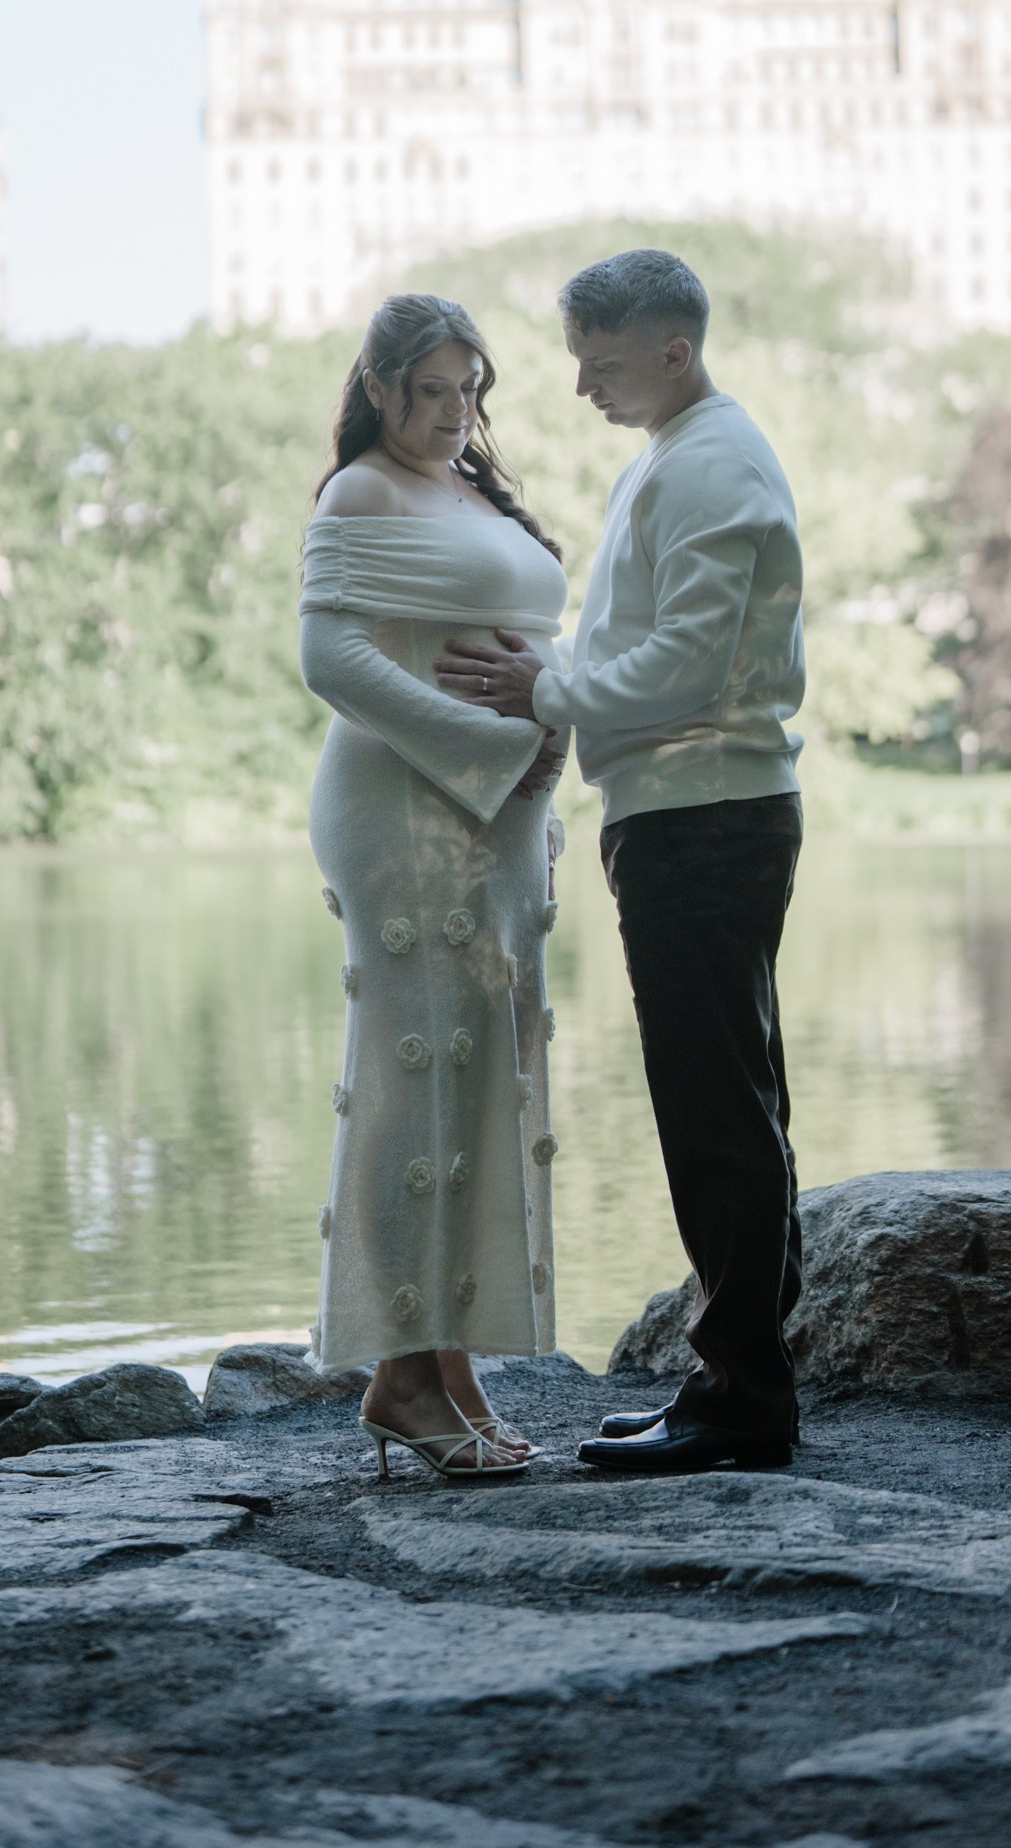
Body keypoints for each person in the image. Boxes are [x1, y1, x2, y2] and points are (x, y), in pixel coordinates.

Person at [435, 247, 806, 1475]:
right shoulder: (675, 457)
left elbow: (685, 671)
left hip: (703, 817)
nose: (581, 384)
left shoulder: (708, 465)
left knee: (715, 1115)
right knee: (727, 1105)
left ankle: (741, 1402)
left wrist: (545, 687)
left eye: (599, 364)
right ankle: (737, 1384)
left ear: (671, 351)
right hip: (686, 810)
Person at [300, 292, 569, 1482]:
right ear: (378, 388)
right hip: (409, 810)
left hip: (502, 813)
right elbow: (330, 656)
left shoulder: (468, 489)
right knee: (418, 1086)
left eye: (469, 391)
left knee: (484, 1082)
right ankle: (400, 1377)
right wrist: (493, 751)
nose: (454, 413)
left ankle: (450, 1367)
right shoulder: (359, 490)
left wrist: (546, 723)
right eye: (429, 391)